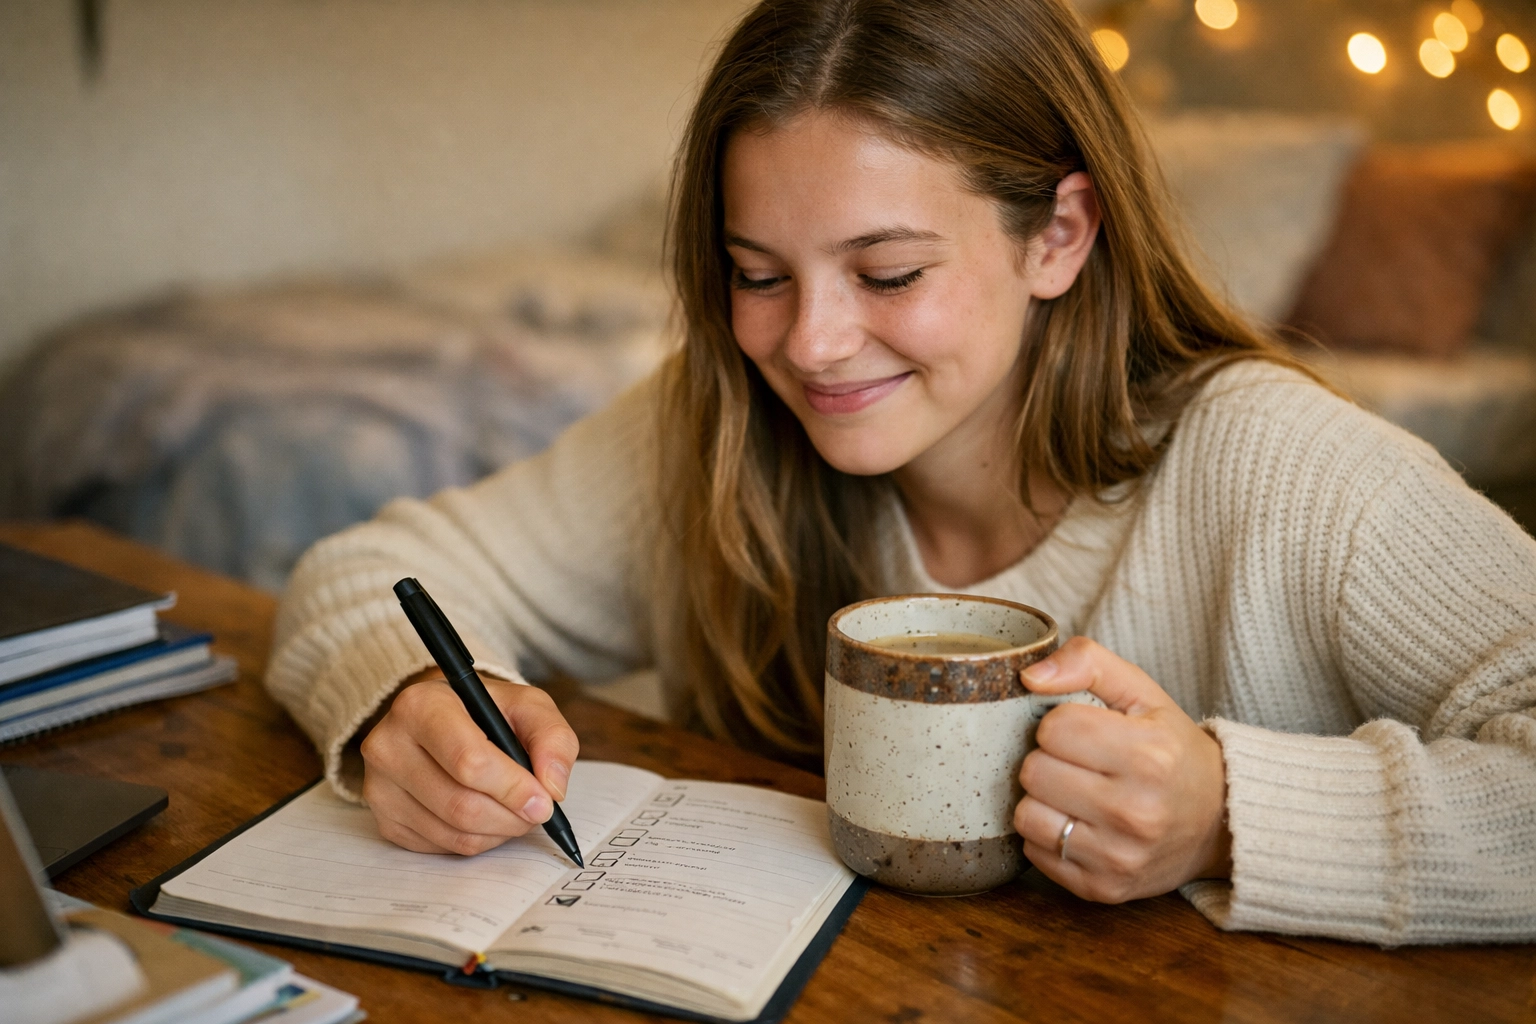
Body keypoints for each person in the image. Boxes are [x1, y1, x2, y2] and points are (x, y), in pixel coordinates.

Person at [266, 0, 1536, 945]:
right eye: (758, 274)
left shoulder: (1285, 469)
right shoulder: (716, 426)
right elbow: (371, 571)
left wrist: (1228, 816)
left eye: (887, 273)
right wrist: (411, 702)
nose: (810, 343)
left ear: (1059, 234)